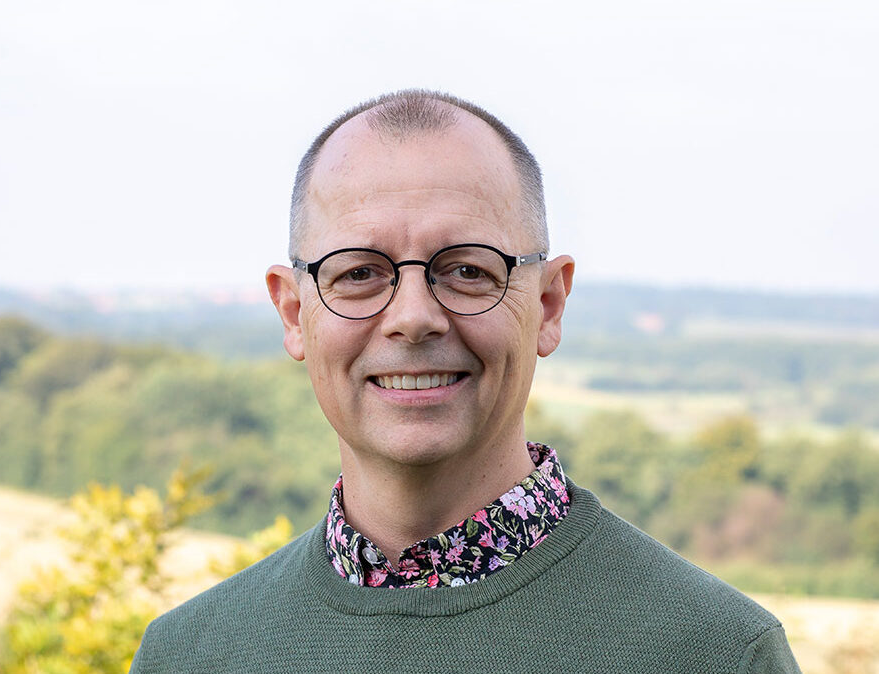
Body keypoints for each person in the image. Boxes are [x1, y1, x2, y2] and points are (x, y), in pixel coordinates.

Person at [130, 89, 799, 672]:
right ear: (292, 312)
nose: (413, 318)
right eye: (359, 273)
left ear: (547, 305)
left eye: (468, 270)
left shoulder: (712, 653)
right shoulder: (188, 655)